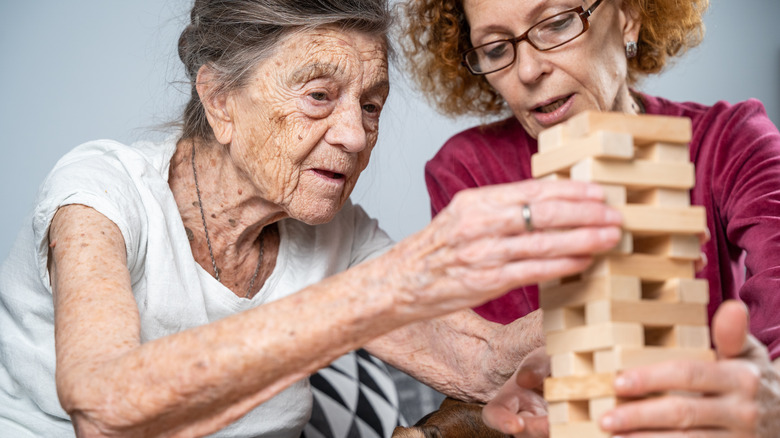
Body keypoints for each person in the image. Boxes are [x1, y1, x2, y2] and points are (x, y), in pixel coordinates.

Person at [0, 0, 625, 437]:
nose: (355, 136)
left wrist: (612, 313)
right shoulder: (100, 191)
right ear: (219, 98)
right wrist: (388, 285)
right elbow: (103, 408)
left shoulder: (338, 233)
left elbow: (478, 361)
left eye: (371, 104)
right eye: (319, 96)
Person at [400, 0, 780, 435]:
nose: (527, 70)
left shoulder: (732, 139)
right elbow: (511, 378)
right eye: (496, 48)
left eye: (557, 24)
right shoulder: (467, 172)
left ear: (629, 15)